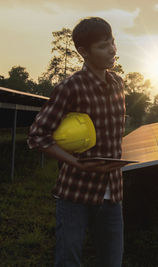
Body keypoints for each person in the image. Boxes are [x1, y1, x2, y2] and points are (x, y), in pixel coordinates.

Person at [27, 17, 127, 267]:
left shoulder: (118, 83)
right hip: (75, 193)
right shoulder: (70, 88)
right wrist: (76, 163)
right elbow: (38, 136)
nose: (113, 49)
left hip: (112, 193)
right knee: (68, 260)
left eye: (112, 42)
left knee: (112, 261)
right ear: (83, 52)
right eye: (104, 46)